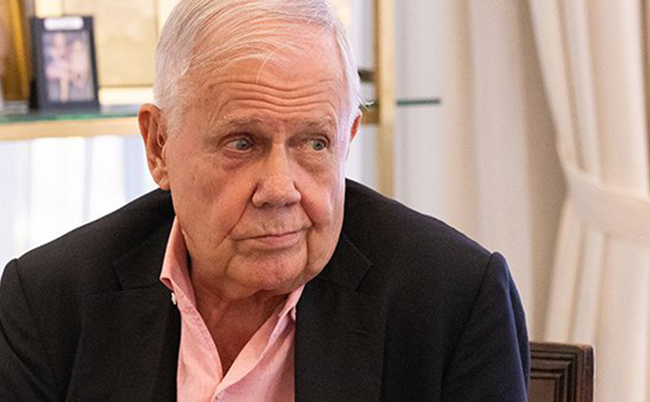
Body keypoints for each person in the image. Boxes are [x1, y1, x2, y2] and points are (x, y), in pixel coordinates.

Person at [0, 0, 529, 400]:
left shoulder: (452, 299)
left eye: (314, 143)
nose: (279, 189)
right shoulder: (50, 301)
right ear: (159, 145)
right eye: (242, 143)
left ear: (347, 141)